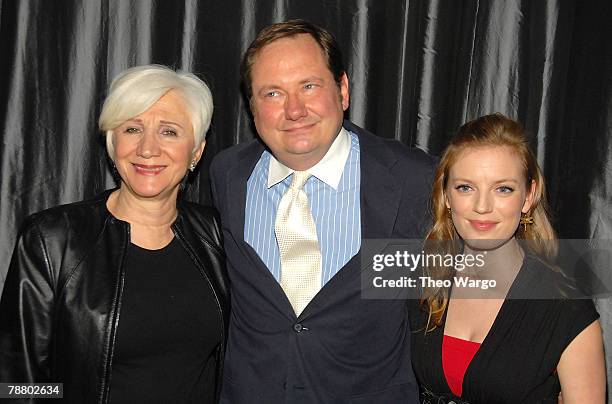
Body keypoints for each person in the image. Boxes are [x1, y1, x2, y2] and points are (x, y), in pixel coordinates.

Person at [210, 19, 435, 402]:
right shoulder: (228, 175)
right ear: (252, 108)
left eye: (309, 86)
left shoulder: (415, 179)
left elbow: (488, 280)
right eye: (273, 93)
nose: (294, 110)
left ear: (343, 90)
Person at [0, 65, 229, 403]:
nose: (147, 148)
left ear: (196, 151)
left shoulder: (217, 234)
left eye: (169, 132)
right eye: (132, 128)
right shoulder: (52, 240)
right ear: (112, 142)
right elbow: (15, 386)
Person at [410, 114, 605, 403]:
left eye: (503, 189)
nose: (482, 206)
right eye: (466, 187)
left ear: (528, 196)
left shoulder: (566, 309)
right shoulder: (420, 281)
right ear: (446, 196)